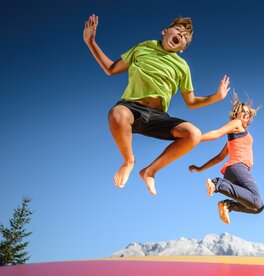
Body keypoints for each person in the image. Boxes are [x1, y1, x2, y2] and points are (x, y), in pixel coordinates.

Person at [83, 14, 230, 196]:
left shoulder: (182, 67)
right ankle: (129, 161)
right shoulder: (143, 47)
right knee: (117, 114)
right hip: (131, 107)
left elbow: (191, 102)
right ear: (165, 31)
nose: (181, 36)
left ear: (183, 48)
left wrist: (217, 97)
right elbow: (111, 69)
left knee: (193, 134)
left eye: (185, 37)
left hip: (157, 117)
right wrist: (90, 41)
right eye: (178, 30)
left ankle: (149, 171)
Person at [189, 94, 263, 224]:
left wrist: (200, 168)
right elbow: (217, 133)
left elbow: (220, 157)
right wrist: (196, 138)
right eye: (242, 111)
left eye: (247, 112)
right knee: (257, 202)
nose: (246, 113)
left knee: (257, 208)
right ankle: (218, 184)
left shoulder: (236, 137)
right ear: (236, 114)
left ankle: (227, 205)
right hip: (238, 168)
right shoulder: (237, 123)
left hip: (233, 172)